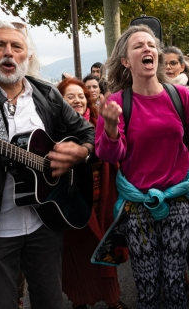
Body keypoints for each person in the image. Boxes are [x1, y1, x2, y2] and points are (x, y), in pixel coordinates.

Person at [0, 19, 95, 308]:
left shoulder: (47, 94)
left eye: (16, 46)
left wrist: (81, 151)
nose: (8, 52)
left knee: (50, 302)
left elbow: (87, 132)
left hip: (44, 221)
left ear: (28, 57)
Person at [96, 24, 189, 309]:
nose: (147, 49)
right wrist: (110, 128)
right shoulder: (116, 102)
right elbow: (111, 155)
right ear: (125, 61)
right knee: (146, 286)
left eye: (151, 44)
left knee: (173, 283)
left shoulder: (182, 97)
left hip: (179, 201)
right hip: (137, 207)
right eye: (138, 46)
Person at [56, 78, 126, 309]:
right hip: (72, 202)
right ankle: (80, 300)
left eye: (81, 96)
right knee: (76, 252)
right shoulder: (53, 129)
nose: (77, 100)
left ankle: (113, 299)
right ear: (59, 102)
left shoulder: (100, 122)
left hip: (103, 195)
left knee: (107, 245)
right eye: (70, 96)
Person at [163, 46, 189, 307]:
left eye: (172, 63)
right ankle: (181, 277)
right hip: (159, 177)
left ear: (182, 66)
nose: (167, 68)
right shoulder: (149, 93)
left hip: (187, 174)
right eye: (163, 63)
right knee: (168, 235)